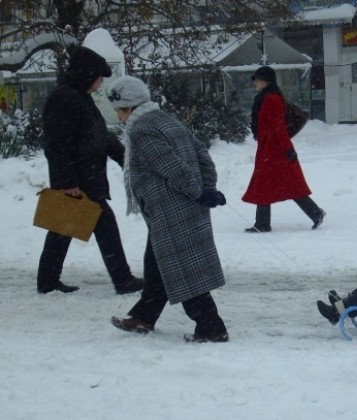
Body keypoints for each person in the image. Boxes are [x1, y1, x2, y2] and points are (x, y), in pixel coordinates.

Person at [107, 76, 229, 343]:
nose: (118, 116)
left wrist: (200, 192)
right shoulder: (167, 121)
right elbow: (202, 156)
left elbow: (171, 167)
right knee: (157, 264)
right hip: (182, 204)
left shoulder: (141, 129)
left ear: (128, 106)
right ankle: (144, 316)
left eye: (118, 109)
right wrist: (206, 189)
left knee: (183, 269)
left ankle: (211, 328)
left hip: (170, 209)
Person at [37, 45, 143, 295]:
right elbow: (55, 143)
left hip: (88, 176)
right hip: (79, 180)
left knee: (63, 230)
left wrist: (126, 158)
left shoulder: (80, 97)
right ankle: (122, 279)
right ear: (86, 74)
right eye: (99, 77)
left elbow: (100, 136)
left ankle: (48, 281)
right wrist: (66, 182)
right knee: (98, 226)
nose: (100, 83)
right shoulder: (64, 98)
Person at [242, 65, 325, 233]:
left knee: (275, 184)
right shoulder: (266, 97)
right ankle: (314, 213)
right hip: (269, 148)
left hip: (275, 150)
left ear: (265, 81)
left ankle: (264, 223)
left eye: (257, 80)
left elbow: (279, 127)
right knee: (275, 185)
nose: (255, 83)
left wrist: (288, 150)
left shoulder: (271, 99)